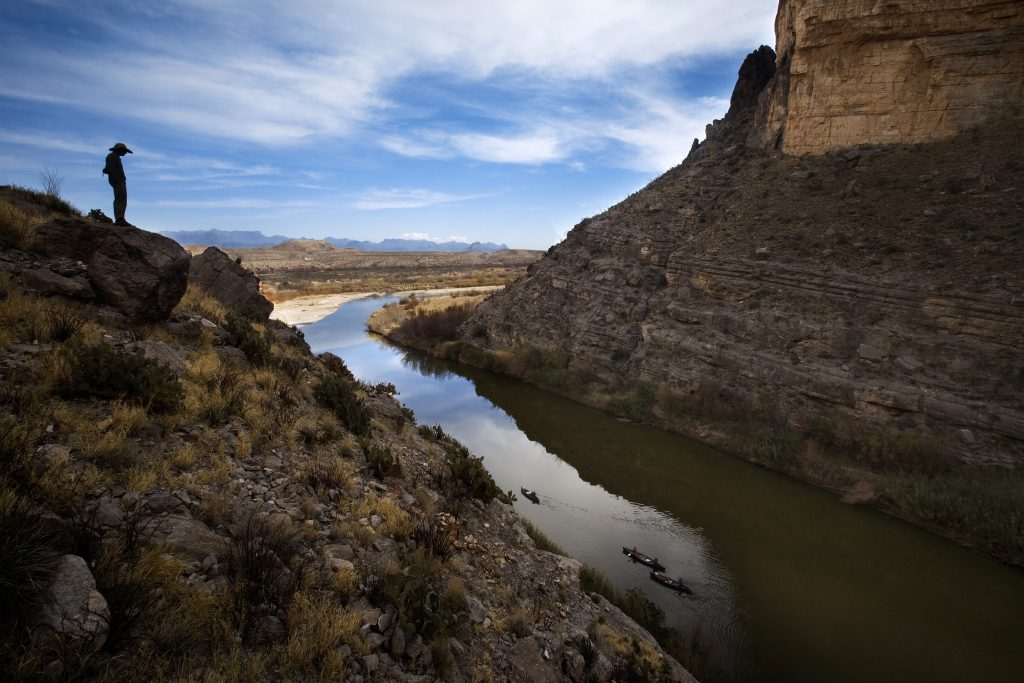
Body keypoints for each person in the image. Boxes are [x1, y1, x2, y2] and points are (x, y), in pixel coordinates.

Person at [103, 142, 133, 226]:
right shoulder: (111, 156)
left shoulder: (115, 157)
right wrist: (117, 180)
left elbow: (109, 168)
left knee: (122, 200)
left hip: (119, 181)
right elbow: (111, 169)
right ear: (120, 150)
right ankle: (119, 219)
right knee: (120, 199)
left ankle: (121, 218)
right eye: (124, 151)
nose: (125, 153)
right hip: (117, 181)